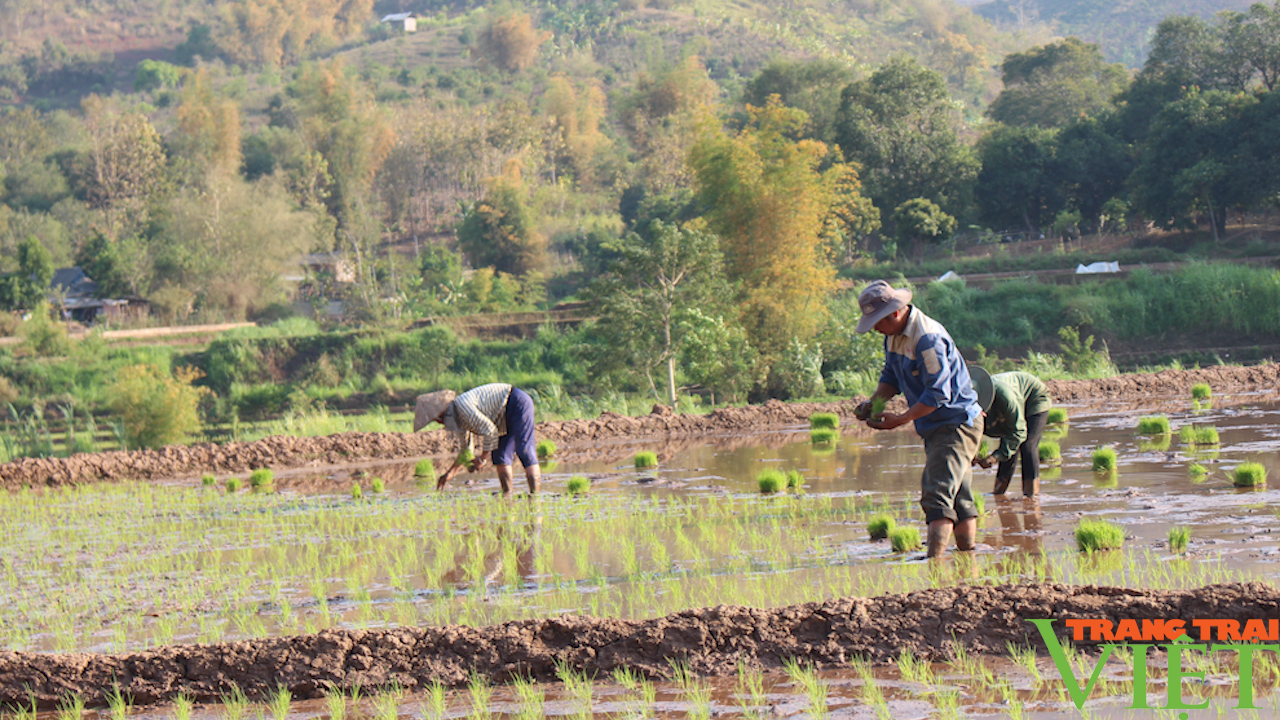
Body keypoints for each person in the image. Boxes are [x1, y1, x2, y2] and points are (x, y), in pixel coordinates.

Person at [853, 280, 985, 558]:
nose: (875, 328)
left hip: (956, 424)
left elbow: (938, 394)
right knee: (958, 496)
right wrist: (873, 403)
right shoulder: (893, 336)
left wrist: (899, 420)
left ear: (895, 313)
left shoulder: (927, 339)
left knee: (936, 494)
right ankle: (967, 560)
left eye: (878, 321)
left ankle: (934, 564)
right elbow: (891, 377)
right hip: (938, 425)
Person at [413, 383, 541, 494]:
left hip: (516, 402)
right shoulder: (458, 419)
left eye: (438, 419)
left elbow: (490, 431)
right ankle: (508, 493)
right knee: (500, 455)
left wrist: (481, 459)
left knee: (524, 450)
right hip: (501, 416)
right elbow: (466, 451)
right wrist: (449, 475)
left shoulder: (463, 408)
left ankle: (535, 495)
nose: (440, 423)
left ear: (443, 413)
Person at [974, 371, 1052, 497]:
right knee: (1008, 444)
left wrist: (995, 457)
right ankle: (999, 493)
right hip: (1012, 405)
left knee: (1028, 445)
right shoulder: (965, 402)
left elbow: (1018, 432)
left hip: (1033, 397)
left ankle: (1031, 495)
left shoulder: (1004, 396)